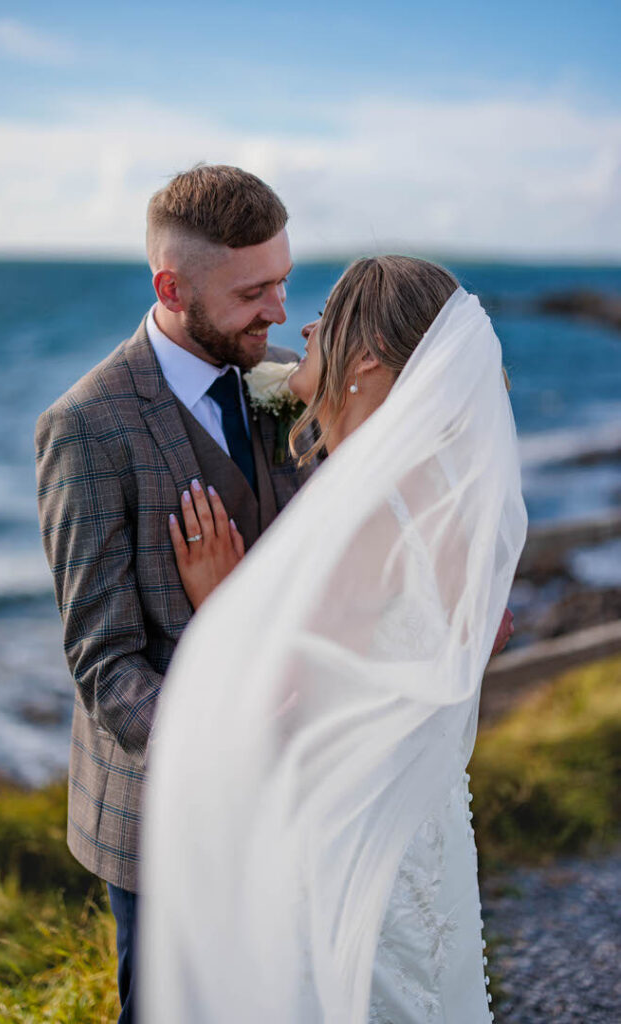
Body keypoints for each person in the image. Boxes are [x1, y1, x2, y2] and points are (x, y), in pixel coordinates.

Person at [139, 255, 527, 1022]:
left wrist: (221, 601)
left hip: (352, 848)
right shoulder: (450, 491)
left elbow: (290, 713)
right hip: (423, 834)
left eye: (328, 316)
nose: (305, 325)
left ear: (369, 357)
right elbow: (477, 638)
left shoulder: (371, 510)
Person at [35, 164, 315, 1023]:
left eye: (282, 281)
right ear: (172, 288)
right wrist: (222, 760)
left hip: (291, 783)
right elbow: (102, 658)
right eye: (252, 291)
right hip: (165, 811)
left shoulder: (282, 380)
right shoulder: (86, 427)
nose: (276, 312)